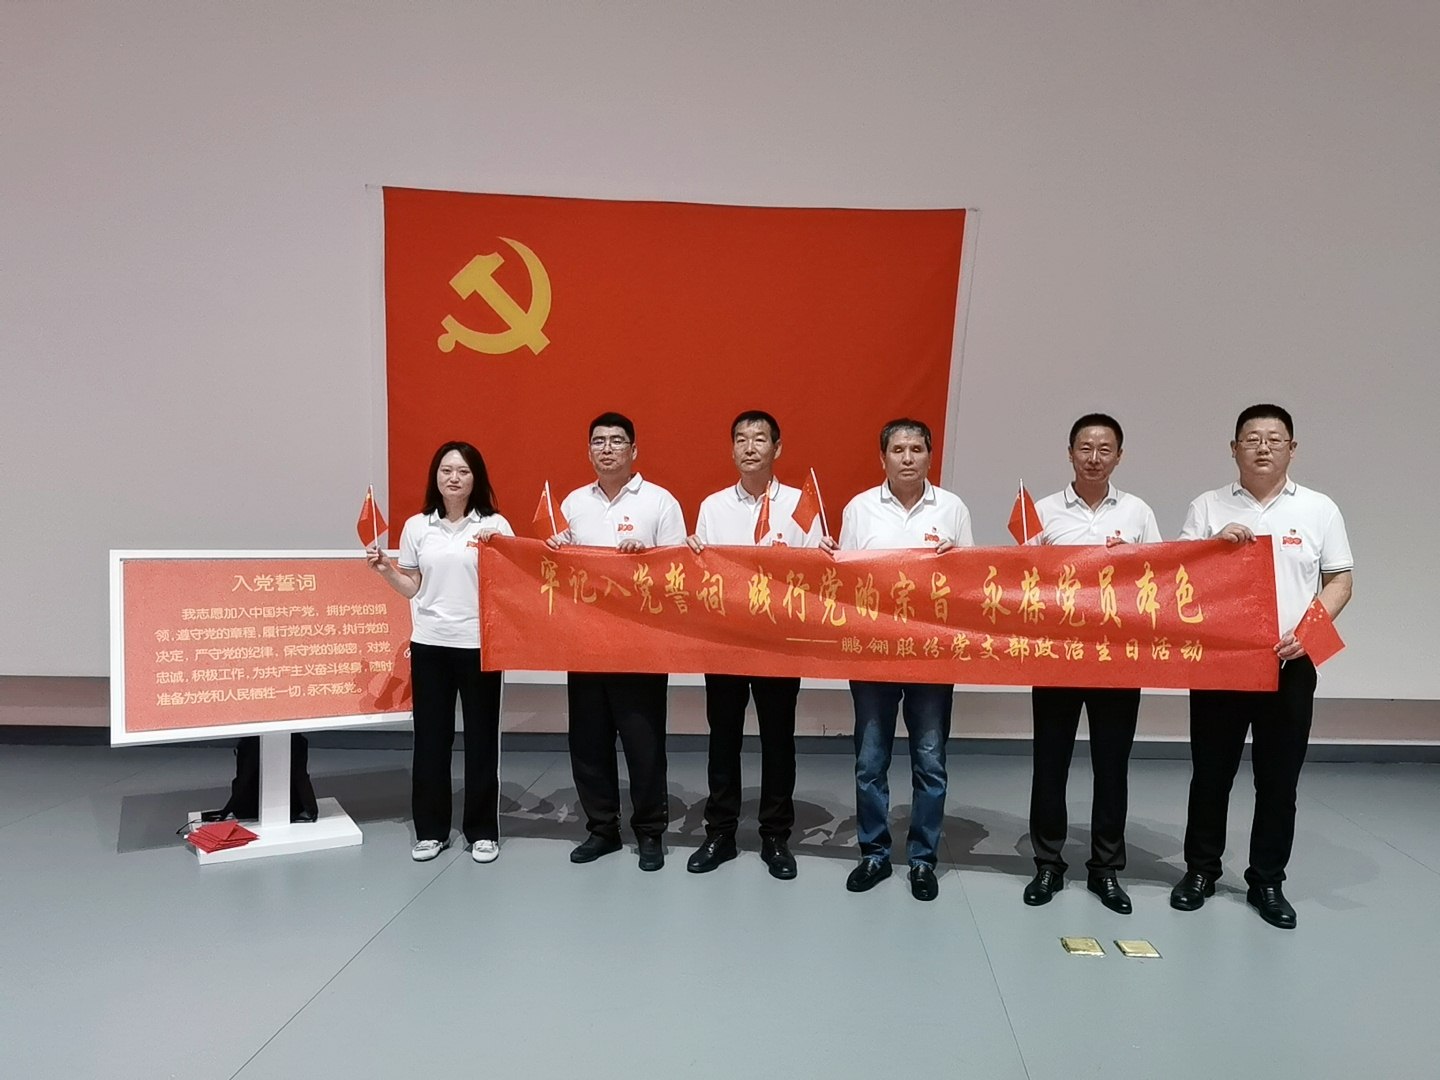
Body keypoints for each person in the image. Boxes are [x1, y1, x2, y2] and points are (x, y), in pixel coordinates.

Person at [1169, 404, 1353, 929]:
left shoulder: (1319, 508)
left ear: (1292, 448)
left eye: (1275, 438)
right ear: (1234, 449)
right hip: (1222, 663)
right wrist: (1211, 548)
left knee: (1278, 779)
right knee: (1211, 773)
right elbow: (1179, 578)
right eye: (1251, 438)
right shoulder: (1208, 505)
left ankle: (1267, 880)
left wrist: (1309, 633)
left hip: (1290, 661)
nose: (1263, 447)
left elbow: (1340, 580)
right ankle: (1200, 871)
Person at [1020, 413, 1162, 914]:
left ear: (1119, 456)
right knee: (1050, 762)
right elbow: (1022, 584)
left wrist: (1134, 558)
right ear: (1070, 453)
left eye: (1105, 449)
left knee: (1112, 765)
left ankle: (1105, 869)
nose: (1094, 457)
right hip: (1057, 657)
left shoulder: (1139, 512)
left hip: (1116, 659)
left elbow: (1159, 580)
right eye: (1085, 447)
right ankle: (1048, 863)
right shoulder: (1042, 512)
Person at [837, 418, 973, 901]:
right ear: (883, 458)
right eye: (898, 449)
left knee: (930, 760)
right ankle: (874, 853)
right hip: (873, 654)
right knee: (870, 760)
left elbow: (970, 584)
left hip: (931, 655)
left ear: (930, 456)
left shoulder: (952, 508)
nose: (908, 457)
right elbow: (843, 580)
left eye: (917, 449)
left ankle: (922, 859)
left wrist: (957, 560)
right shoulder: (859, 509)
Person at [685, 410, 822, 880]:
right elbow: (702, 572)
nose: (749, 447)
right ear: (732, 450)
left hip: (779, 642)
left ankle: (775, 836)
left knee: (777, 740)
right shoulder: (713, 506)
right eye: (741, 439)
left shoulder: (802, 504)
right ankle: (720, 832)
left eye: (759, 439)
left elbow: (818, 570)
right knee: (722, 738)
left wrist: (824, 552)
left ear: (776, 448)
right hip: (724, 641)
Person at [548, 412, 686, 871]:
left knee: (643, 743)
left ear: (634, 450)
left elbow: (678, 569)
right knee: (588, 742)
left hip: (640, 644)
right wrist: (552, 550)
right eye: (598, 441)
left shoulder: (660, 502)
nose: (607, 449)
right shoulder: (573, 503)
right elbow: (558, 570)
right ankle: (602, 829)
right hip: (585, 641)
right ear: (588, 451)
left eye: (616, 441)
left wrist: (647, 559)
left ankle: (650, 832)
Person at [368, 441, 513, 863]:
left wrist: (497, 548)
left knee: (482, 741)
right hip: (430, 643)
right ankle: (431, 831)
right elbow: (412, 587)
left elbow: (510, 585)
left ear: (475, 478)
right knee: (431, 741)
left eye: (463, 471)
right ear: (436, 476)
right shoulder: (418, 527)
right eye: (447, 470)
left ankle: (482, 831)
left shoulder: (494, 524)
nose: (454, 478)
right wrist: (386, 571)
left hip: (480, 646)